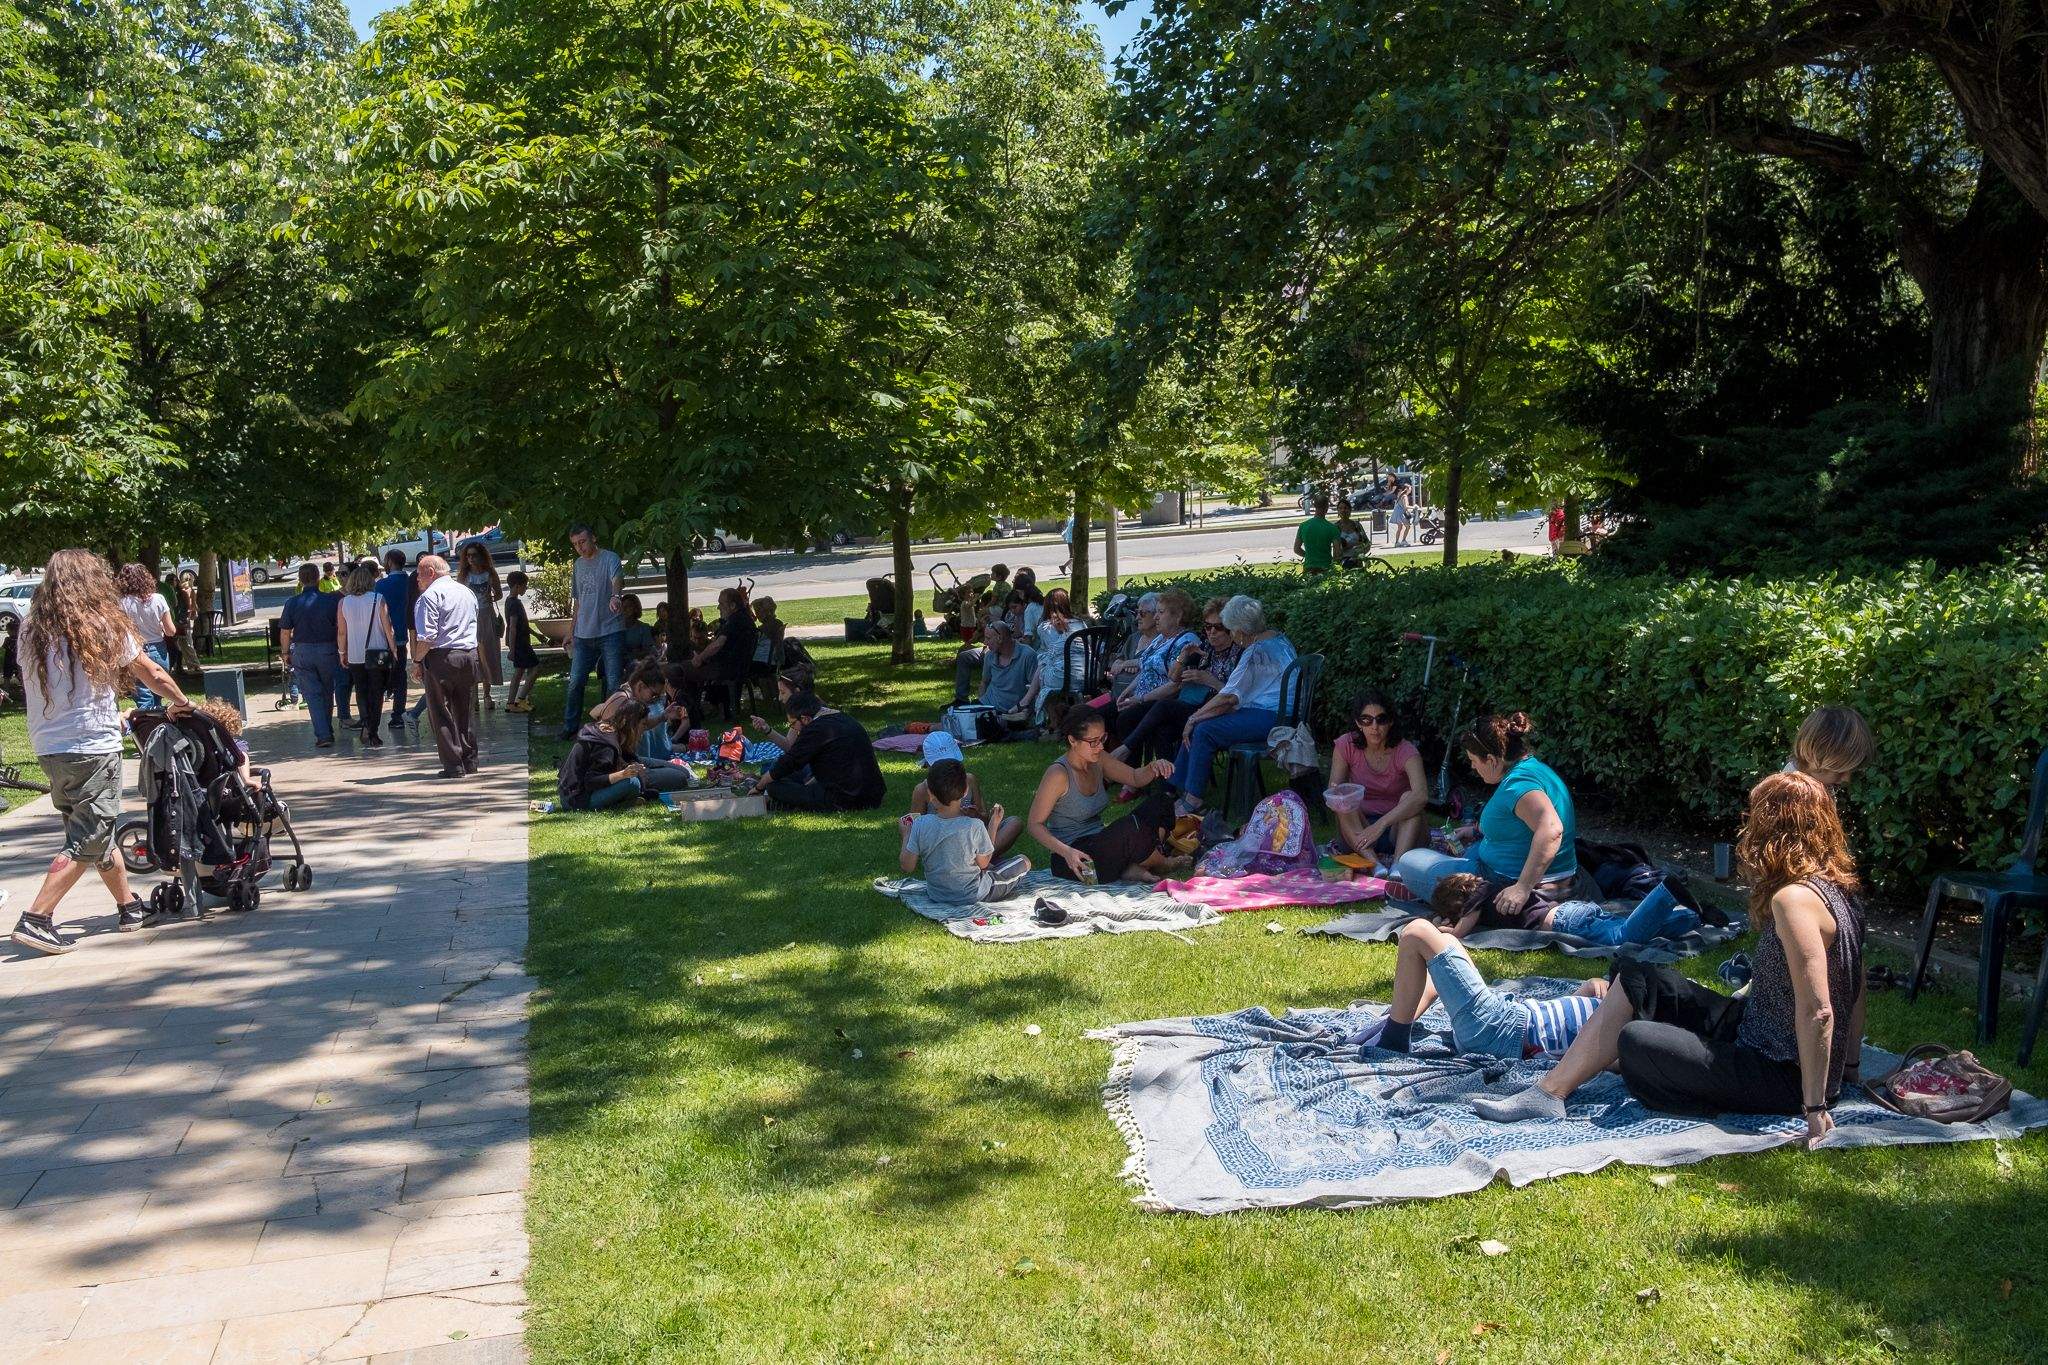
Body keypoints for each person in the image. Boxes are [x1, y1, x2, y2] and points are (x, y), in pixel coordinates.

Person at [1470, 772, 1866, 1148]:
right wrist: (1848, 1071)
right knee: (1637, 977)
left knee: (1636, 1040)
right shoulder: (1839, 892)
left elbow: (1819, 1010)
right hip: (1755, 1027)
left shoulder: (1792, 900)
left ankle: (1581, 1069)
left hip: (1781, 1073)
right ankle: (1549, 1092)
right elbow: (1857, 988)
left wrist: (1815, 1107)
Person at [10, 549, 194, 954]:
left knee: (94, 831)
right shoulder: (104, 626)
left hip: (49, 747)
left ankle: (128, 906)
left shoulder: (29, 630)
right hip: (92, 745)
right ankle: (37, 918)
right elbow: (152, 671)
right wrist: (182, 702)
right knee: (90, 835)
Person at [1390, 713, 1580, 923]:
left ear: (1490, 760)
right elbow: (1519, 823)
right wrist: (1474, 831)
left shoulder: (1519, 786)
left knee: (1409, 862)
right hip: (1537, 871)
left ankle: (1446, 897)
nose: (1472, 767)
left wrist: (1522, 888)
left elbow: (1551, 829)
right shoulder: (1535, 768)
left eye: (1473, 760)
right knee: (1467, 851)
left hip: (1507, 879)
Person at [1375, 904, 1608, 1060]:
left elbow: (1601, 1057)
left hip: (1498, 1030)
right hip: (1504, 1019)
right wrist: (1589, 988)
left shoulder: (1623, 1034)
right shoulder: (1622, 1006)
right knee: (1447, 941)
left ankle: (1392, 1040)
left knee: (1418, 932)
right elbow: (1568, 1017)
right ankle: (1396, 1023)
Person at [1168, 595, 1296, 815]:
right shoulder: (1278, 639)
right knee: (1204, 723)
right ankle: (1177, 787)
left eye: (1230, 628)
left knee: (1204, 729)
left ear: (1240, 630)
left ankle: (1192, 798)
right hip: (1281, 713)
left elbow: (1229, 697)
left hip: (1271, 718)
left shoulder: (1255, 652)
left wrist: (1194, 717)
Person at [1029, 707, 1182, 883]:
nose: (1100, 746)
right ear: (1073, 740)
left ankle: (1131, 865)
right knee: (1129, 828)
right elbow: (1034, 825)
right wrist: (1066, 852)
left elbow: (1133, 777)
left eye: (1102, 739)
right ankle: (1161, 862)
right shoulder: (1058, 773)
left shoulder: (1098, 758)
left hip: (1102, 842)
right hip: (1073, 858)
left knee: (1161, 802)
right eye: (1093, 741)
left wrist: (1154, 767)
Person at [1110, 597, 1238, 766]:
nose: (1211, 632)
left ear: (1230, 628)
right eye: (1207, 626)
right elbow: (1174, 677)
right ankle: (1164, 787)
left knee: (1163, 706)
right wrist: (1182, 657)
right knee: (1158, 728)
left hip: (1216, 709)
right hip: (1192, 703)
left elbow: (1236, 696)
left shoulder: (1238, 654)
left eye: (1218, 627)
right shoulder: (1204, 647)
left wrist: (1209, 680)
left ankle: (1125, 750)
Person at [1429, 870, 1700, 945]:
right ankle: (1693, 916)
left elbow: (1460, 932)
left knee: (1623, 938)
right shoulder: (1490, 890)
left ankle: (1666, 893)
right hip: (1573, 912)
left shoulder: (1480, 892)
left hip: (1565, 920)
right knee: (1638, 931)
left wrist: (1442, 929)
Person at [900, 758, 1031, 903]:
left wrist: (907, 833)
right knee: (1024, 861)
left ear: (930, 793)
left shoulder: (920, 824)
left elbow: (907, 866)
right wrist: (993, 824)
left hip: (937, 895)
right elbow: (984, 863)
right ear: (965, 791)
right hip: (974, 894)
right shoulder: (974, 825)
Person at [1328, 690, 1428, 864]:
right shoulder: (1345, 745)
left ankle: (1398, 867)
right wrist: (1337, 794)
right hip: (1359, 830)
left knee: (1410, 799)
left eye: (1380, 719)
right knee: (1342, 799)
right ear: (1358, 723)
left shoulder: (1406, 751)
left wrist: (1380, 825)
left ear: (1390, 722)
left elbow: (1421, 795)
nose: (1374, 727)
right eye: (1366, 720)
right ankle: (1374, 865)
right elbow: (1333, 790)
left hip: (1399, 830)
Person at [747, 689, 885, 812]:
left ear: (805, 718)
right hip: (873, 794)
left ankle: (787, 805)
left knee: (773, 786)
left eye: (793, 724)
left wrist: (759, 787)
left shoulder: (815, 730)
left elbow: (788, 762)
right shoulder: (841, 718)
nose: (794, 729)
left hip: (845, 799)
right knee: (780, 773)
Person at [410, 554, 481, 778]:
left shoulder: (429, 596)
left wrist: (417, 661)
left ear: (431, 572)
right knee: (464, 710)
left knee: (440, 712)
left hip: (442, 657)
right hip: (469, 656)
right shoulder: (466, 592)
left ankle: (453, 765)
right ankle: (470, 761)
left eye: (419, 575)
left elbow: (427, 637)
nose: (417, 581)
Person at [1107, 590, 1199, 752]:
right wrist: (1127, 693)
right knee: (1099, 716)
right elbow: (1145, 668)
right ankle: (1107, 768)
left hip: (1159, 701)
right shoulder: (1161, 638)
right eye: (1156, 612)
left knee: (1125, 719)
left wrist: (1139, 699)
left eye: (1161, 612)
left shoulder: (1186, 641)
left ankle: (1129, 771)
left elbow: (1175, 685)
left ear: (1178, 616)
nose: (1156, 617)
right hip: (1139, 697)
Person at [558, 524, 626, 741]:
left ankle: (610, 727)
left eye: (583, 542)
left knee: (614, 682)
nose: (580, 547)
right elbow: (578, 601)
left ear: (593, 538)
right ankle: (570, 727)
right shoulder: (578, 564)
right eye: (576, 544)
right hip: (583, 634)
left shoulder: (610, 558)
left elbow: (617, 581)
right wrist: (571, 631)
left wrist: (615, 597)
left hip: (610, 631)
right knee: (576, 682)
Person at [908, 732, 1022, 857]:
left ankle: (979, 859)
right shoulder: (921, 790)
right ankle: (982, 859)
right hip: (944, 845)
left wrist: (976, 814)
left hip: (972, 836)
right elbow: (916, 830)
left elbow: (984, 819)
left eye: (951, 764)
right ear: (928, 765)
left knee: (1014, 823)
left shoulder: (970, 780)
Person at [279, 563, 349, 748]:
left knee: (312, 694)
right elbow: (341, 628)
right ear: (318, 578)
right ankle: (326, 729)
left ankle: (323, 734)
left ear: (300, 580)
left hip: (302, 651)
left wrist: (285, 653)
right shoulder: (332, 600)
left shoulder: (292, 603)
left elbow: (285, 631)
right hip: (328, 650)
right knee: (327, 691)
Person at [671, 587, 758, 730]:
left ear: (732, 606)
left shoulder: (735, 621)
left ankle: (688, 714)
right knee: (687, 669)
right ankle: (697, 710)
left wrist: (699, 658)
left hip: (727, 669)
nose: (718, 607)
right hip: (735, 667)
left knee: (679, 670)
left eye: (721, 604)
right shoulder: (745, 618)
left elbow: (717, 644)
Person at [337, 562, 399, 747]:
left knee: (361, 692)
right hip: (378, 653)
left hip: (356, 655)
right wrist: (394, 650)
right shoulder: (378, 599)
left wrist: (342, 652)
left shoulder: (343, 602)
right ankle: (373, 730)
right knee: (377, 693)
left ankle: (365, 721)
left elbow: (342, 632)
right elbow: (389, 629)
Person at [114, 564, 176, 710]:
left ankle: (146, 728)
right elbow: (171, 631)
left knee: (143, 698)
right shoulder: (158, 599)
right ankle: (157, 728)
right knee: (158, 694)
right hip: (159, 650)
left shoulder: (121, 603)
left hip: (135, 651)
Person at [1021, 588, 1086, 722]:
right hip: (1088, 674)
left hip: (1064, 677)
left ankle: (1047, 719)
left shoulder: (1046, 627)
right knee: (1046, 661)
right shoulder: (1081, 623)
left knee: (1044, 662)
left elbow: (1052, 654)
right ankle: (1026, 702)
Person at [456, 542, 505, 712]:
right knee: (473, 657)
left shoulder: (490, 573)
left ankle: (487, 695)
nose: (471, 558)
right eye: (468, 555)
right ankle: (474, 697)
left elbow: (499, 594)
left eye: (474, 555)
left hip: (487, 616)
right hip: (470, 619)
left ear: (481, 555)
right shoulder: (464, 575)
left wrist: (491, 596)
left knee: (488, 656)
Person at [968, 619, 1038, 737]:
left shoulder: (1027, 655)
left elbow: (1035, 688)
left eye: (988, 638)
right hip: (988, 706)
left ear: (1000, 638)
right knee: (961, 718)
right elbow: (984, 682)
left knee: (982, 728)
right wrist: (981, 706)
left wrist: (1025, 709)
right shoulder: (989, 656)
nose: (985, 642)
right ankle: (929, 728)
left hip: (1012, 711)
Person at [373, 550, 418, 732]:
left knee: (378, 678)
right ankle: (397, 715)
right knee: (400, 679)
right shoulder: (411, 583)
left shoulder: (381, 585)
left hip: (382, 640)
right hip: (401, 639)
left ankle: (374, 715)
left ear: (390, 562)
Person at [1787, 705, 1873, 791]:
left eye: (1851, 770)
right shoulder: (1791, 796)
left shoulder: (1814, 787)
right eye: (1839, 771)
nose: (1846, 779)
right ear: (1814, 757)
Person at [503, 570, 541, 713]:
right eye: (525, 586)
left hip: (521, 641)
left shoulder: (510, 601)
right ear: (517, 586)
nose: (525, 588)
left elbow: (523, 624)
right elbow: (513, 627)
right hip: (520, 643)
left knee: (519, 672)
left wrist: (537, 635)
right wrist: (512, 649)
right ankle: (521, 699)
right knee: (536, 668)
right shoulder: (514, 604)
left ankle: (511, 703)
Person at [1293, 494, 1341, 576]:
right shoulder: (1332, 528)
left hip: (1308, 567)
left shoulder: (1303, 526)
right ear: (1327, 507)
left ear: (1314, 506)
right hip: (1326, 568)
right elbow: (1337, 553)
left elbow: (1296, 549)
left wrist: (1309, 555)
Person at [618, 594, 656, 663]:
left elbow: (647, 651)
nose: (625, 608)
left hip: (638, 665)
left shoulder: (644, 628)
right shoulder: (616, 629)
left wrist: (632, 655)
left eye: (629, 606)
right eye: (622, 606)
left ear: (636, 608)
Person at [1392, 479, 1414, 549]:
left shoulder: (1401, 494)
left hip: (1397, 513)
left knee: (1400, 528)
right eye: (1410, 489)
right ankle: (1403, 540)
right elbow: (1405, 506)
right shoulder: (1404, 496)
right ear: (1407, 489)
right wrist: (1414, 507)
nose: (1410, 490)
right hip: (1401, 513)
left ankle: (1397, 542)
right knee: (1407, 527)